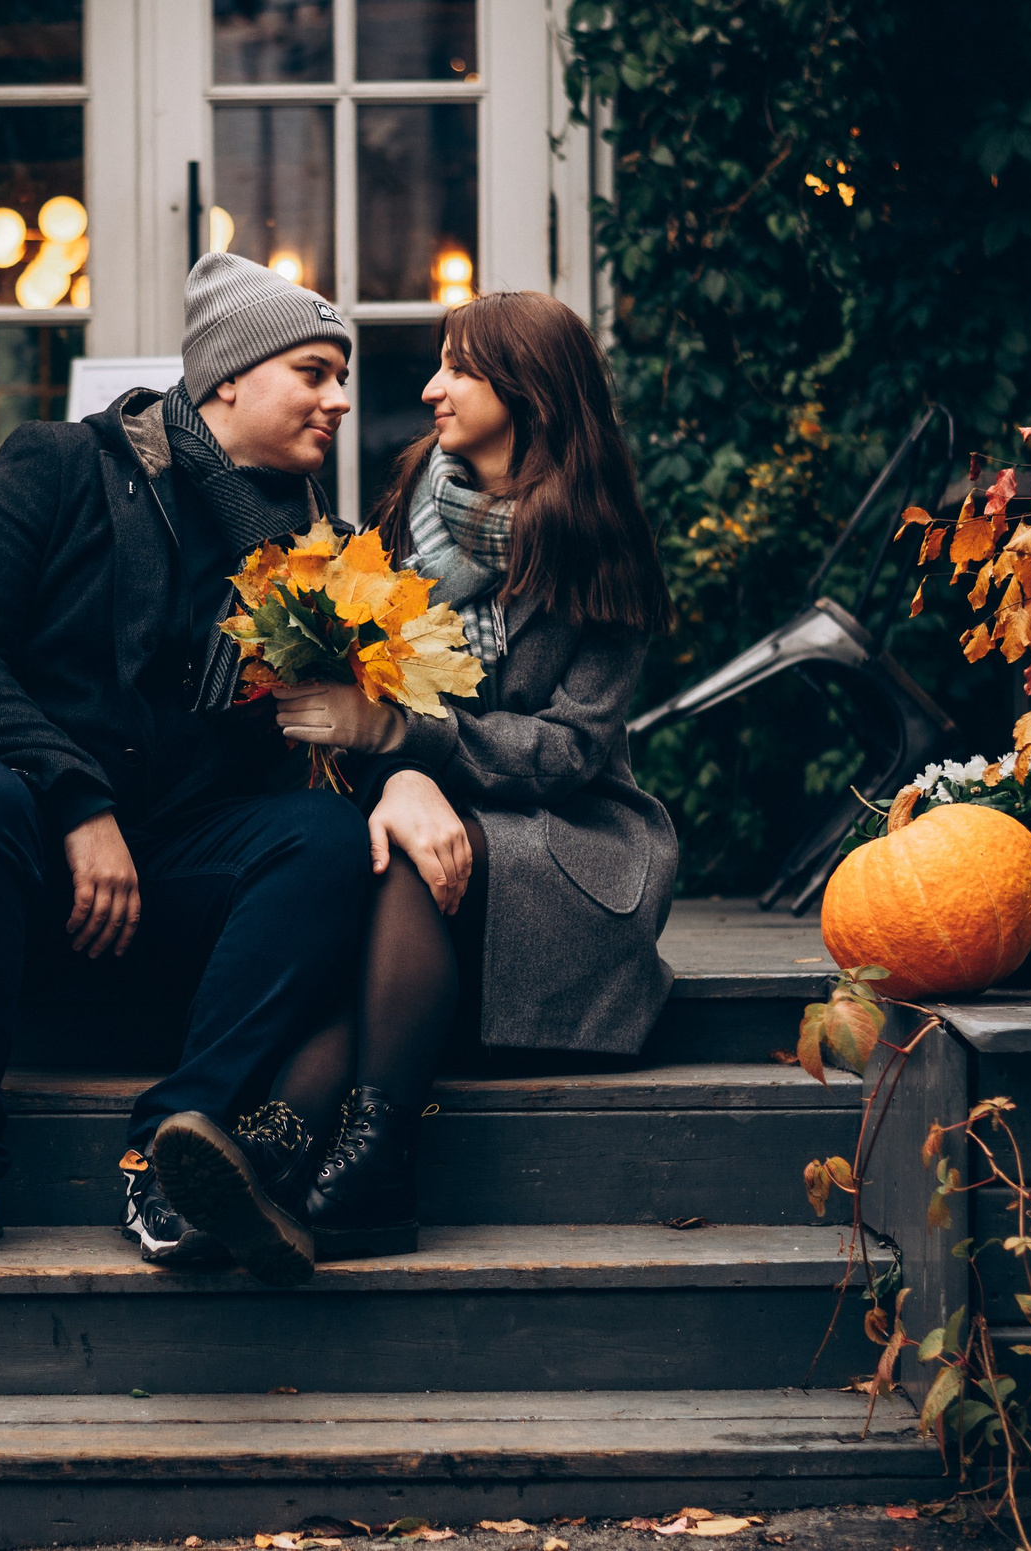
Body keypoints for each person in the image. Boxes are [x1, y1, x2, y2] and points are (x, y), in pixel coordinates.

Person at [0, 252, 377, 1279]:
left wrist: (383, 749)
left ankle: (178, 1144)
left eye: (340, 376)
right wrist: (80, 802)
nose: (341, 399)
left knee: (322, 839)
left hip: (178, 880)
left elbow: (317, 759)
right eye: (314, 371)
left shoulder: (320, 550)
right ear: (229, 376)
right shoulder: (60, 464)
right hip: (21, 862)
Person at [151, 289, 677, 1273]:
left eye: (459, 368)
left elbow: (569, 750)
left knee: (401, 866)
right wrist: (395, 768)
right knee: (386, 849)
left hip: (564, 843)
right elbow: (375, 667)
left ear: (525, 390)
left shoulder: (598, 536)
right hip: (439, 826)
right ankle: (309, 1164)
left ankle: (300, 1142)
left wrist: (405, 740)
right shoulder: (415, 500)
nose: (430, 387)